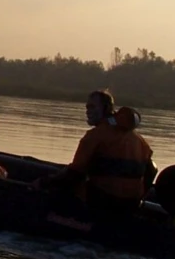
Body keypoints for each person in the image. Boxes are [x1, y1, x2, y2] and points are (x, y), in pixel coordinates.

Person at [38, 90, 156, 219]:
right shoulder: (139, 140)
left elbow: (74, 175)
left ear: (106, 108)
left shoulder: (94, 136)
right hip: (129, 205)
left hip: (101, 202)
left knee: (60, 188)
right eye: (87, 107)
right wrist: (138, 198)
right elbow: (152, 170)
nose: (88, 111)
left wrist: (44, 182)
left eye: (92, 107)